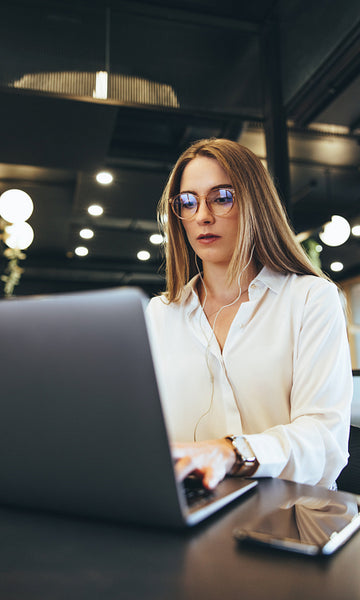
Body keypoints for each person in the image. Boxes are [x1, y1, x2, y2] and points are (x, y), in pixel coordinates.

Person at [146, 138, 352, 491]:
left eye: (221, 197)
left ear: (255, 204)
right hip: (194, 508)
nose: (203, 216)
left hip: (292, 512)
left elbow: (324, 439)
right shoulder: (161, 313)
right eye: (188, 202)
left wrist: (230, 452)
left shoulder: (310, 300)